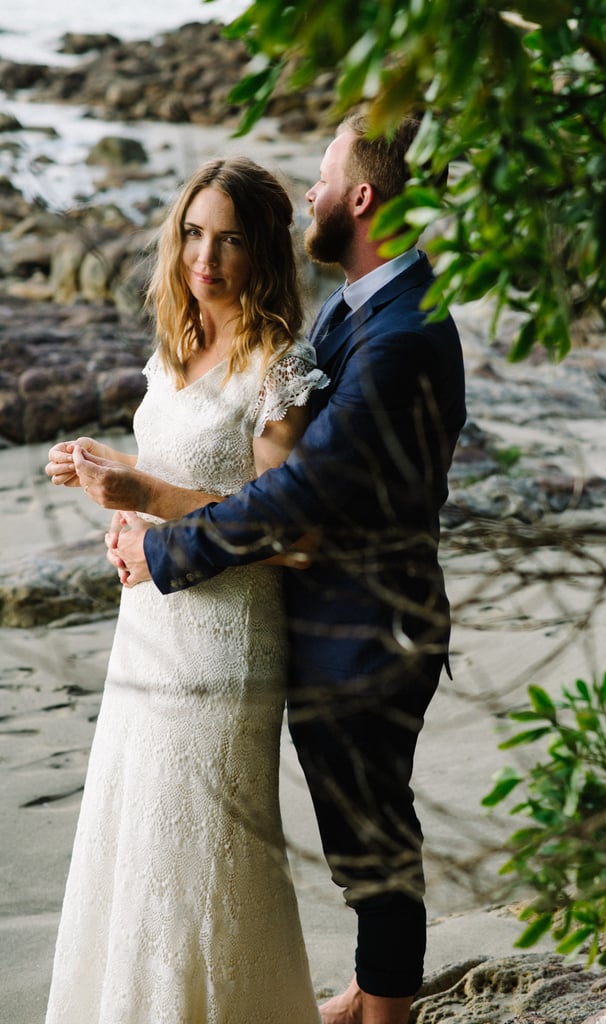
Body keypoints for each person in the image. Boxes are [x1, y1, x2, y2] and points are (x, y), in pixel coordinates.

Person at [72, 113, 467, 1024]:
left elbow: (295, 502)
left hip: (367, 618)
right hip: (313, 612)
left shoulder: (400, 332)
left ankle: (389, 1009)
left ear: (360, 197)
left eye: (324, 178)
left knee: (370, 831)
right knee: (353, 824)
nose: (312, 195)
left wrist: (156, 527)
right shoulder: (365, 305)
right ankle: (373, 987)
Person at [43, 157, 328, 1024]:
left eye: (231, 239)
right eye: (195, 233)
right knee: (134, 840)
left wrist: (151, 503)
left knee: (202, 858)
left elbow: (294, 536)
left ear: (263, 251)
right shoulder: (174, 347)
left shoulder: (278, 367)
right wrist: (115, 480)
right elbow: (177, 475)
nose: (207, 257)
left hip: (226, 643)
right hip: (149, 627)